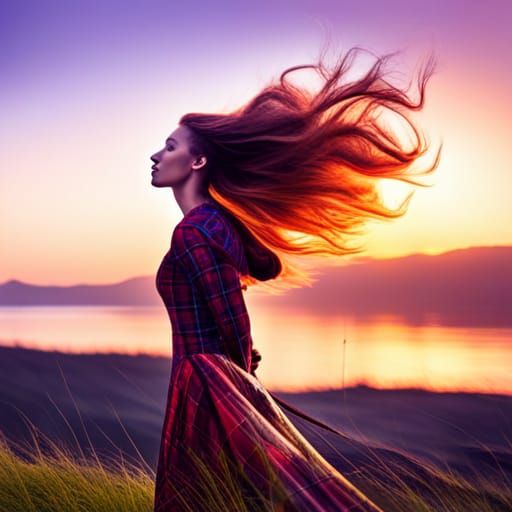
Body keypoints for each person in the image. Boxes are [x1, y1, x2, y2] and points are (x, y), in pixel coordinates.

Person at [150, 46, 440, 511]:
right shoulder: (216, 224)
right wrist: (243, 368)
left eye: (169, 146)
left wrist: (242, 375)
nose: (155, 155)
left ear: (198, 162)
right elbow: (228, 315)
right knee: (229, 493)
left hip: (204, 377)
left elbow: (232, 316)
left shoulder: (194, 231)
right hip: (213, 375)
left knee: (201, 496)